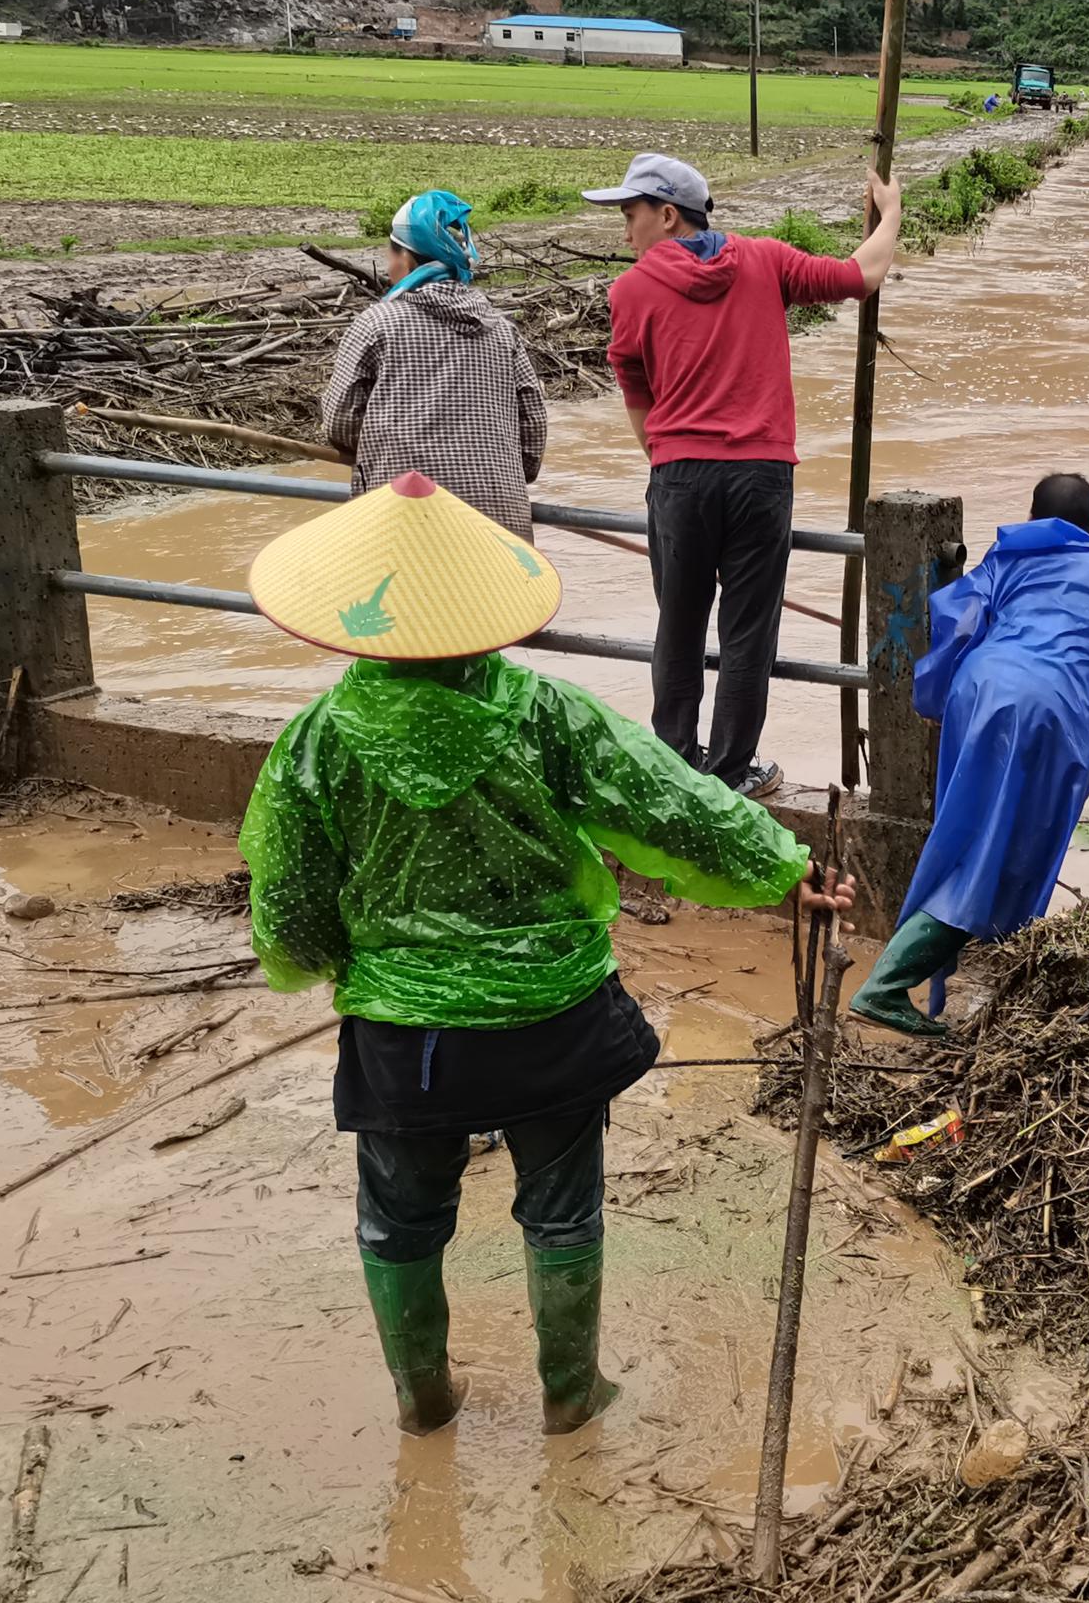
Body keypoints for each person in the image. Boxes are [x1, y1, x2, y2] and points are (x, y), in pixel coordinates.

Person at [237, 472, 842, 1436]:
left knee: (399, 1220)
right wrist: (785, 869)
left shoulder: (315, 744)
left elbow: (294, 909)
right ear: (485, 614)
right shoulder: (546, 715)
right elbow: (673, 803)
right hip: (550, 1020)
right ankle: (570, 1394)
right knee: (563, 1210)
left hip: (404, 1038)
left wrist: (347, 967)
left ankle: (421, 1396)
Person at [599, 152, 904, 800]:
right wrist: (892, 211)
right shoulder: (765, 259)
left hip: (681, 475)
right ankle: (733, 773)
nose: (624, 230)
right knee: (747, 633)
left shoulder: (628, 292)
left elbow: (637, 398)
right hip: (761, 479)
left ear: (668, 215)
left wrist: (667, 466)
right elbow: (861, 274)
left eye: (630, 214)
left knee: (678, 628)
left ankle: (676, 766)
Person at [847, 472, 1089, 1035]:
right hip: (1054, 708)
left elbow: (957, 621)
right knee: (1000, 853)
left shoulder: (1007, 558)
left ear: (1035, 517)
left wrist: (934, 696)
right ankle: (887, 986)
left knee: (969, 834)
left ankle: (983, 974)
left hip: (981, 690)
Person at [320, 190, 547, 541]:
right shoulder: (503, 331)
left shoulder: (376, 325)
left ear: (407, 259)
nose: (389, 262)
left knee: (407, 596)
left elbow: (341, 422)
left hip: (404, 522)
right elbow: (532, 433)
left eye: (392, 252)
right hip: (500, 526)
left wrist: (381, 451)